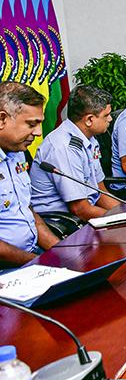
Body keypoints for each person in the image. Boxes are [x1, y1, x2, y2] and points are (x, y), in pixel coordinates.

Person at [30, 85, 120, 231]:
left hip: (87, 213)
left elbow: (101, 193)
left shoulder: (89, 138)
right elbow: (80, 209)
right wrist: (122, 219)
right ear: (89, 119)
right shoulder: (63, 148)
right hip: (62, 224)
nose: (110, 119)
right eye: (106, 115)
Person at [0, 82, 59, 266]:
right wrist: (41, 263)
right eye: (31, 124)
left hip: (33, 254)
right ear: (2, 119)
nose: (39, 132)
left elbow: (27, 210)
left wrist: (60, 251)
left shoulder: (17, 152)